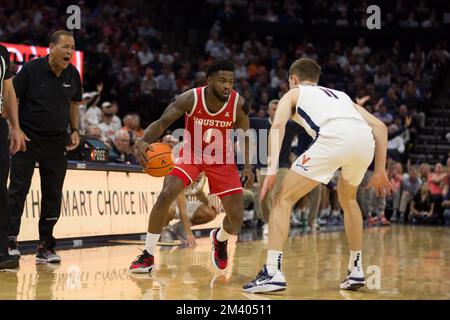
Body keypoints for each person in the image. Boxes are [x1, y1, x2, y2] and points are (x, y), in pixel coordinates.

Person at [243, 58, 392, 293]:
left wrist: (271, 169)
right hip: (364, 142)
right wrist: (381, 170)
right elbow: (380, 128)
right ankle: (356, 269)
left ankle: (272, 272)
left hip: (334, 138)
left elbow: (277, 126)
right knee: (348, 199)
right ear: (317, 79)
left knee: (282, 198)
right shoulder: (341, 95)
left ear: (293, 79)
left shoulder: (293, 93)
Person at [129, 58, 253, 273]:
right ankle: (148, 255)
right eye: (222, 80)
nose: (227, 86)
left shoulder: (238, 104)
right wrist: (143, 141)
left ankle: (220, 239)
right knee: (166, 194)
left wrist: (248, 167)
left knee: (236, 220)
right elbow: (162, 122)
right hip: (191, 153)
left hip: (222, 158)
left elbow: (245, 136)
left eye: (231, 81)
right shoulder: (191, 98)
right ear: (209, 81)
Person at [7, 30, 82, 263]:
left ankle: (45, 246)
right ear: (51, 47)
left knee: (53, 194)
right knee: (18, 190)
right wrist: (15, 128)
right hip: (28, 138)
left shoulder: (73, 74)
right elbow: (11, 97)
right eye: (65, 46)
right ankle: (9, 241)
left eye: (72, 47)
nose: (69, 51)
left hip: (56, 140)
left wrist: (75, 130)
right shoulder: (31, 69)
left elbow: (74, 104)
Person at [0, 43, 24, 270]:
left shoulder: (2, 52)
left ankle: (1, 250)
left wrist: (14, 127)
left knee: (1, 189)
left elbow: (8, 91)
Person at [163, 173, 219, 246]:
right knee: (169, 209)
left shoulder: (202, 179)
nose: (200, 174)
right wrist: (189, 234)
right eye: (197, 171)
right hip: (170, 203)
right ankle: (165, 229)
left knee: (210, 212)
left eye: (201, 171)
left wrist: (208, 203)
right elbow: (182, 210)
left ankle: (180, 227)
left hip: (184, 203)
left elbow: (198, 193)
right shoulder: (181, 179)